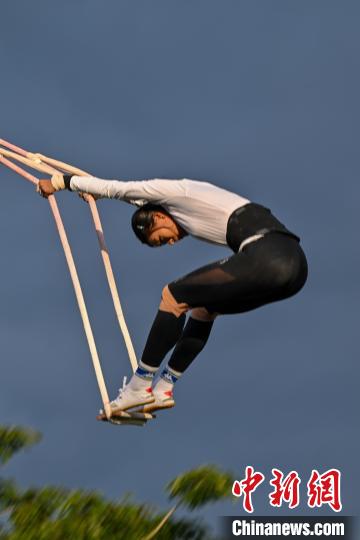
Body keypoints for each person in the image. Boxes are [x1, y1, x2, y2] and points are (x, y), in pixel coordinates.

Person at [38, 175, 308, 414]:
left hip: (268, 257)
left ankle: (140, 384)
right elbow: (136, 201)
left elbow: (118, 189)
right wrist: (93, 193)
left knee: (173, 296)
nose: (169, 242)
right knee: (203, 309)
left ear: (158, 217)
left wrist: (62, 183)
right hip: (294, 269)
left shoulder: (177, 191)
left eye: (159, 237)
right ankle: (163, 388)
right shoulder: (179, 210)